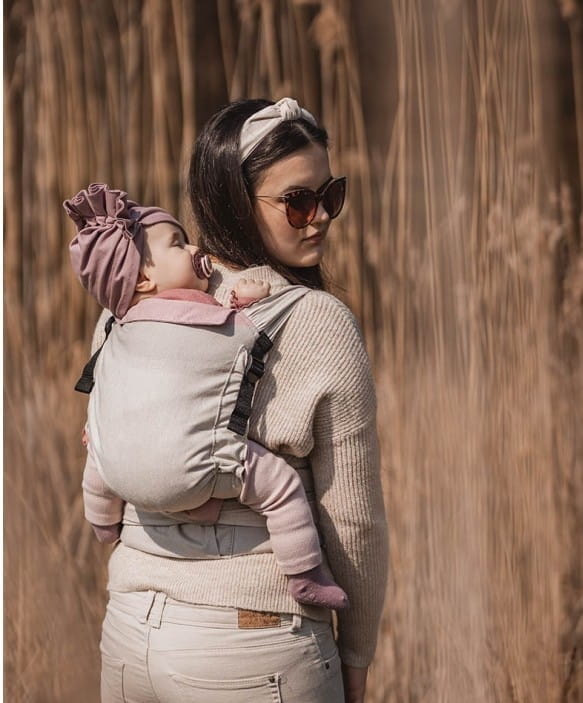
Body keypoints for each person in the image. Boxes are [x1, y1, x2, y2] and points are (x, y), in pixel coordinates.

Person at [93, 97, 388, 703]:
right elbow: (353, 520)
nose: (320, 218)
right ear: (233, 199)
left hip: (129, 634)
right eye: (297, 201)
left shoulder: (127, 309)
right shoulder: (319, 322)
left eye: (330, 195)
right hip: (254, 643)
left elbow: (114, 451)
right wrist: (357, 655)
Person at [65, 183, 349, 611]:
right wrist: (248, 299)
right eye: (177, 244)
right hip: (203, 466)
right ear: (143, 278)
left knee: (99, 451)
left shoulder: (117, 328)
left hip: (125, 473)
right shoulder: (200, 311)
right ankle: (304, 574)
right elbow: (237, 330)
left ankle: (103, 524)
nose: (196, 248)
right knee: (281, 488)